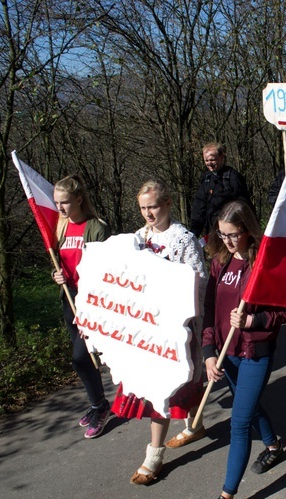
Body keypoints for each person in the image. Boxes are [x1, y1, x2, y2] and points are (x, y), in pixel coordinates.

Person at [111, 180, 209, 485]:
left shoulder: (183, 239)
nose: (148, 213)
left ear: (167, 203)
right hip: (145, 328)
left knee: (164, 390)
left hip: (175, 329)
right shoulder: (138, 238)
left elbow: (200, 281)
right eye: (143, 207)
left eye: (153, 206)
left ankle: (154, 455)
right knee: (167, 388)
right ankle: (195, 424)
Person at [202, 201, 286, 499]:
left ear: (247, 230)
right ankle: (273, 446)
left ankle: (227, 494)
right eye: (221, 235)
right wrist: (208, 351)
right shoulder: (219, 260)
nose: (227, 241)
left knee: (240, 421)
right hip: (225, 353)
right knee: (251, 405)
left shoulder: (264, 263)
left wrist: (253, 319)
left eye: (232, 235)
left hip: (255, 352)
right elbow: (210, 309)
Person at [51, 174, 111, 439]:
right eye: (56, 203)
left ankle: (102, 407)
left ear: (78, 199)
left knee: (80, 357)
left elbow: (106, 268)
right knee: (83, 359)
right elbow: (57, 262)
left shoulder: (97, 227)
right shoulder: (60, 227)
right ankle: (98, 404)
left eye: (64, 202)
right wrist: (55, 276)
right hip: (69, 297)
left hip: (90, 300)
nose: (59, 208)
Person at [190, 142, 253, 238]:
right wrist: (193, 234)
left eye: (212, 160)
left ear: (221, 157)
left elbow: (244, 205)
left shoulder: (233, 177)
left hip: (231, 232)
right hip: (212, 233)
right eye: (206, 160)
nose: (209, 164)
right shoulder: (206, 179)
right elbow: (199, 208)